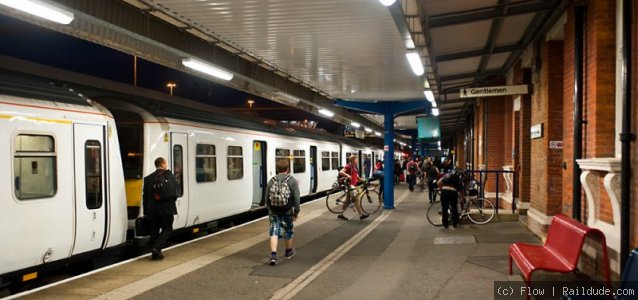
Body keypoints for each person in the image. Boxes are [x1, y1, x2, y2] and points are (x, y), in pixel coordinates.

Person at [143, 157, 179, 260]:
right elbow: (175, 192)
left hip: (152, 210)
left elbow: (145, 197)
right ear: (163, 164)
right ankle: (157, 249)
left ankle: (154, 253)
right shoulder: (169, 176)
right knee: (167, 229)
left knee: (154, 231)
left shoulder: (148, 179)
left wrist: (146, 211)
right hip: (167, 209)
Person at [266, 159, 300, 266]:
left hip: (274, 211)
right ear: (288, 169)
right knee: (288, 231)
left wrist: (270, 210)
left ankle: (273, 255)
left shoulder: (272, 180)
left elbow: (266, 198)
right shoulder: (292, 180)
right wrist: (296, 212)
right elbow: (296, 198)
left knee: (274, 232)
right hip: (287, 211)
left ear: (277, 169)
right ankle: (288, 251)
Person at [338, 155, 369, 221]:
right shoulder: (348, 166)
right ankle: (361, 215)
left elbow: (357, 177)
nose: (357, 160)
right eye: (356, 159)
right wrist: (347, 175)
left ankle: (341, 214)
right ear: (353, 160)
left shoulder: (354, 167)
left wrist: (363, 180)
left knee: (347, 201)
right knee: (355, 199)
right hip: (350, 185)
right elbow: (341, 172)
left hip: (353, 185)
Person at [437, 164, 465, 229]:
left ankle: (445, 224)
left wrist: (441, 188)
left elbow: (438, 183)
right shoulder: (459, 179)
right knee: (454, 208)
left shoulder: (447, 175)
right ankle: (455, 223)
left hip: (444, 191)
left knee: (444, 208)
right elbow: (461, 190)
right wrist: (462, 199)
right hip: (453, 192)